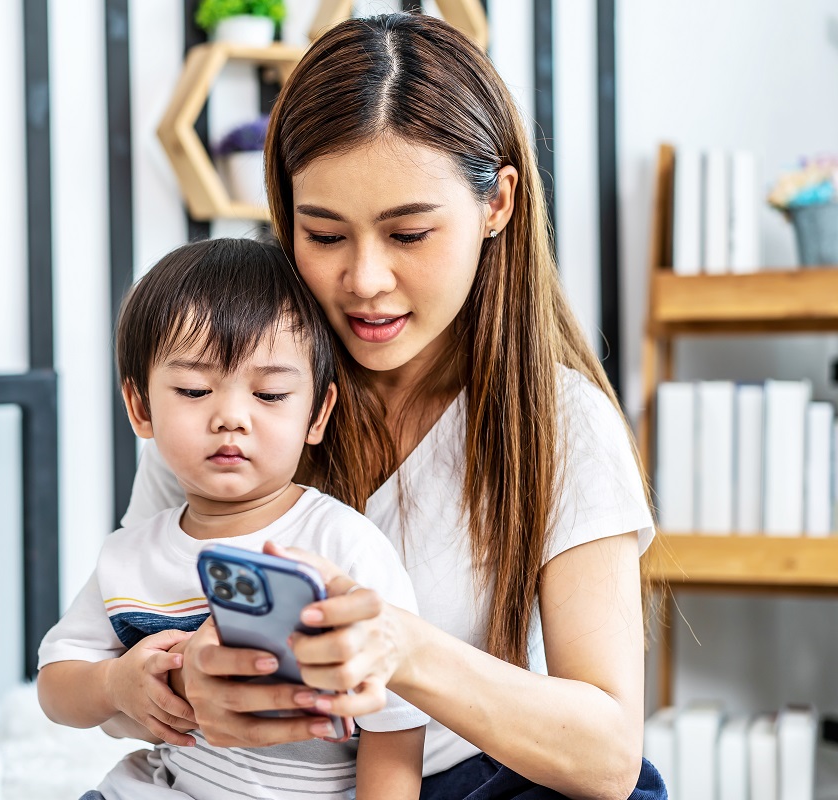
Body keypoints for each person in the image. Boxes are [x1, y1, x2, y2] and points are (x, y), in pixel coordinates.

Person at [115, 13, 669, 800]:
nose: (365, 280)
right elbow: (119, 660)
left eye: (408, 233)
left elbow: (609, 757)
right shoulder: (232, 400)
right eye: (325, 234)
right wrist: (173, 687)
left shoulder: (563, 423)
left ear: (497, 204)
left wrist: (398, 648)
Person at [36, 237, 429, 800]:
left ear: (316, 413)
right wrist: (115, 684)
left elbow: (397, 724)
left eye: (269, 394)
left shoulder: (339, 544)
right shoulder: (130, 554)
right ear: (140, 406)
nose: (231, 418)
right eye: (194, 389)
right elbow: (56, 685)